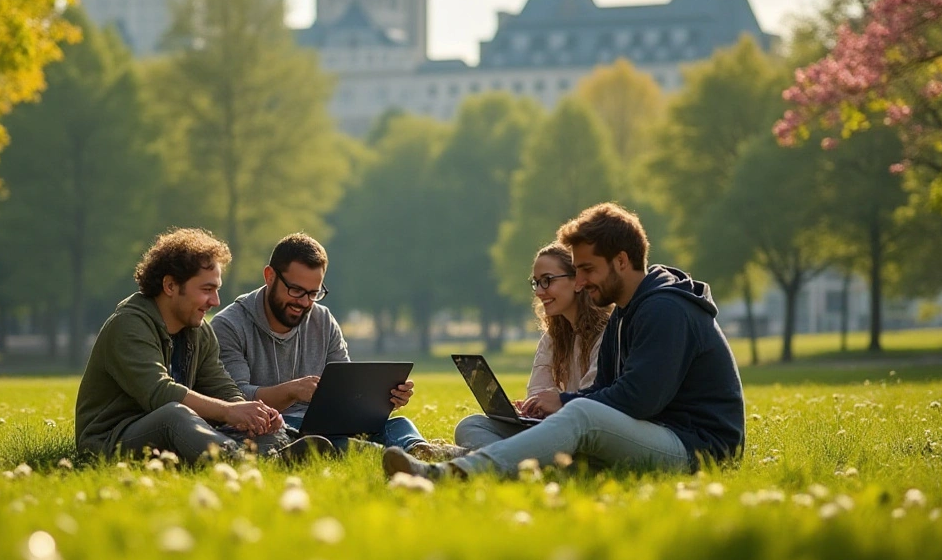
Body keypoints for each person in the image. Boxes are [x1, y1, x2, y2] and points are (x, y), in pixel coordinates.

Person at [384, 203, 745, 480]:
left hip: (698, 448)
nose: (582, 281)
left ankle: (453, 473)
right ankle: (536, 470)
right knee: (480, 425)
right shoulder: (626, 311)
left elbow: (640, 400)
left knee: (580, 415)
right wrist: (564, 405)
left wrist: (566, 402)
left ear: (621, 261)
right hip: (652, 434)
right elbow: (606, 390)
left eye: (588, 269)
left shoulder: (665, 310)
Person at [75, 227, 334, 464]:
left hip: (179, 433)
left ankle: (276, 455)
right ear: (170, 285)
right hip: (112, 439)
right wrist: (229, 411)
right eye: (207, 289)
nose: (216, 301)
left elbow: (220, 386)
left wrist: (256, 413)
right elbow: (159, 393)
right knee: (174, 415)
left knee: (262, 429)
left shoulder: (199, 331)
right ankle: (245, 462)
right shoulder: (129, 325)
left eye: (217, 289)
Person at [213, 233, 463, 460]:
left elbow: (346, 389)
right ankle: (393, 456)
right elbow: (235, 401)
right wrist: (291, 391)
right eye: (295, 290)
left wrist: (382, 399)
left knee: (397, 424)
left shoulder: (323, 320)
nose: (303, 302)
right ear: (269, 276)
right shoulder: (230, 325)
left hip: (326, 422)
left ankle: (420, 450)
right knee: (324, 442)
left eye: (313, 293)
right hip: (276, 426)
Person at [453, 242, 610, 450]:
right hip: (548, 427)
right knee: (471, 425)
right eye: (536, 283)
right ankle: (512, 458)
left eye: (547, 281)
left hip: (582, 430)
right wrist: (532, 408)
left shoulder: (607, 332)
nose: (539, 292)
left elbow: (591, 401)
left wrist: (555, 402)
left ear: (577, 281)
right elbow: (537, 391)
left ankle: (489, 458)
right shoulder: (553, 337)